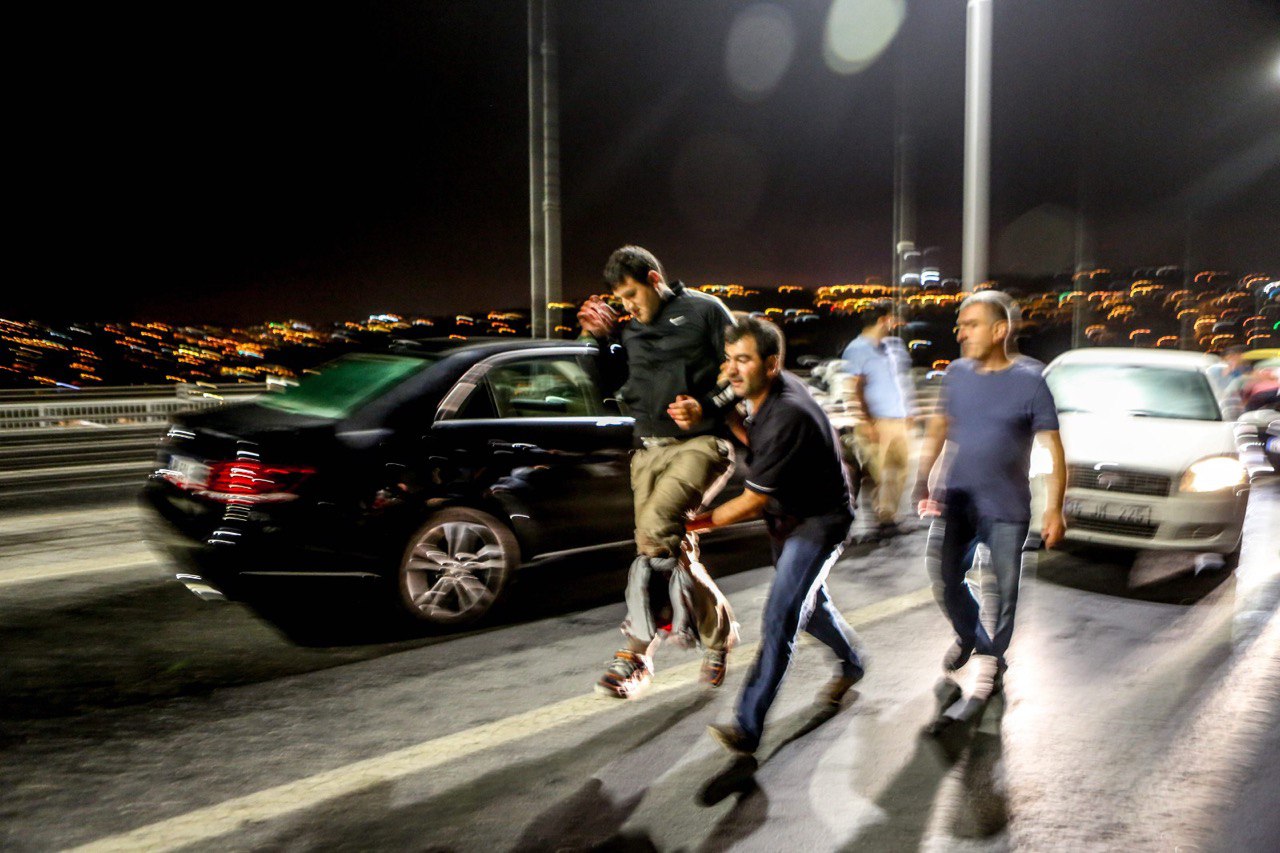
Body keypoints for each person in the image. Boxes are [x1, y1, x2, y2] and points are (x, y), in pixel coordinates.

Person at [692, 315, 866, 755]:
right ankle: (853, 663)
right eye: (728, 359)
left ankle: (747, 726)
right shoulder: (764, 393)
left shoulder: (787, 412)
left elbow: (750, 502)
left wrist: (693, 523)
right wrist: (719, 405)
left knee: (779, 619)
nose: (732, 370)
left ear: (771, 364)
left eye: (743, 360)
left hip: (818, 522)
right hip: (788, 518)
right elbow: (751, 434)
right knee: (812, 606)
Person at [578, 245, 740, 699]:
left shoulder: (705, 311)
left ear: (654, 279)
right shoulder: (627, 331)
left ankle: (635, 655)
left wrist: (705, 406)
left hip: (701, 445)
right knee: (673, 552)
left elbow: (740, 370)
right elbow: (610, 386)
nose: (628, 306)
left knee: (653, 535)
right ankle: (719, 637)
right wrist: (600, 340)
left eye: (632, 294)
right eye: (620, 299)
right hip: (647, 452)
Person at [912, 290, 1067, 719]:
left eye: (971, 325)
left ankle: (992, 665)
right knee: (946, 579)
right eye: (960, 325)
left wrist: (1054, 508)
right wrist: (924, 478)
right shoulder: (956, 374)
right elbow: (939, 427)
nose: (960, 333)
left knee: (1004, 593)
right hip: (959, 500)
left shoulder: (1031, 381)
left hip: (1007, 508)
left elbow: (1052, 448)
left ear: (1000, 331)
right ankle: (970, 635)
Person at [840, 300, 914, 538]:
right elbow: (854, 388)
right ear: (883, 320)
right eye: (891, 319)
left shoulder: (892, 346)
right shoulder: (856, 349)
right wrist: (866, 422)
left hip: (898, 419)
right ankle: (879, 520)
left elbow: (901, 381)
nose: (894, 323)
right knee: (879, 474)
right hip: (876, 422)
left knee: (900, 472)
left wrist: (908, 411)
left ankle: (888, 518)